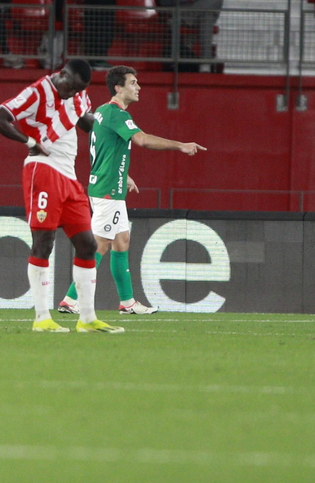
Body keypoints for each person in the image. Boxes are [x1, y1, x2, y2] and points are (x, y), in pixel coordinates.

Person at [0, 58, 123, 333]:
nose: (72, 94)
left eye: (78, 90)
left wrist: (109, 128)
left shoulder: (78, 92)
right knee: (44, 241)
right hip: (43, 169)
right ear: (61, 75)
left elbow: (84, 121)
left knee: (87, 245)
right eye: (70, 87)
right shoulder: (36, 93)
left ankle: (86, 319)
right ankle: (42, 318)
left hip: (69, 176)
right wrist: (29, 142)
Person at [59, 65, 205, 316]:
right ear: (118, 87)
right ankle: (70, 300)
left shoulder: (102, 113)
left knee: (121, 240)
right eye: (133, 83)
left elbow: (105, 150)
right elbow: (143, 140)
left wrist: (123, 175)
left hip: (108, 185)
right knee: (101, 245)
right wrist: (180, 145)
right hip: (107, 190)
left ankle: (127, 302)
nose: (138, 87)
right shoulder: (117, 114)